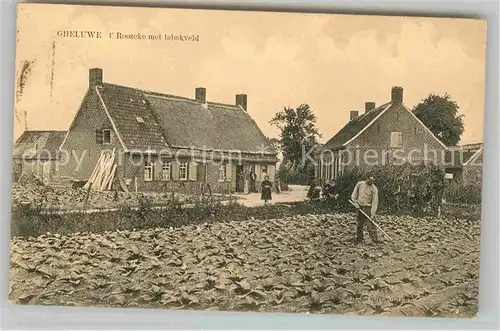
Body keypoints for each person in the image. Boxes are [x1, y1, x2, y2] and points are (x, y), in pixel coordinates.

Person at [351, 176, 380, 244]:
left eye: (372, 181)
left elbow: (375, 202)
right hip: (360, 207)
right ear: (366, 179)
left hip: (368, 208)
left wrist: (372, 213)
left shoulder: (374, 189)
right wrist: (356, 204)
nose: (370, 182)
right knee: (359, 224)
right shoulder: (360, 184)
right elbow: (354, 196)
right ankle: (359, 239)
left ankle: (375, 240)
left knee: (371, 225)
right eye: (369, 180)